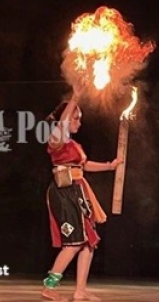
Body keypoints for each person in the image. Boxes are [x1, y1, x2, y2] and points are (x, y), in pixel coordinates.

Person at [41, 83, 121, 302]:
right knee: (74, 243)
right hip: (64, 192)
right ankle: (49, 287)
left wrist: (109, 166)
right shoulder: (56, 139)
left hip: (79, 190)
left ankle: (80, 290)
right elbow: (63, 122)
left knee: (88, 241)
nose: (79, 122)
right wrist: (75, 98)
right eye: (76, 118)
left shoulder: (74, 144)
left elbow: (84, 167)